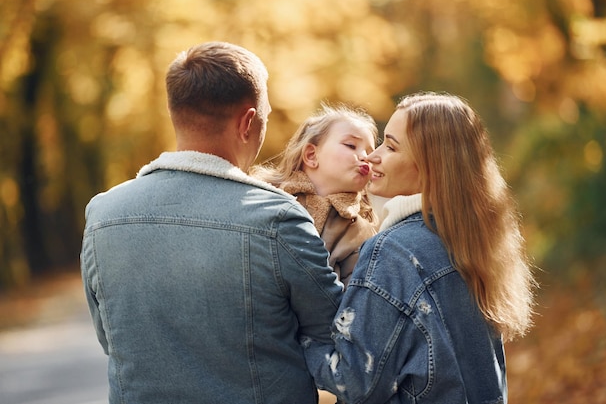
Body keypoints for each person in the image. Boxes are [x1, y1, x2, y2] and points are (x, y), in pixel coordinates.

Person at [80, 41, 343, 404]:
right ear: (249, 121)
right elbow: (337, 331)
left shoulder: (102, 215)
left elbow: (111, 339)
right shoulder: (277, 218)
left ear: (175, 112)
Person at [301, 92, 536, 403]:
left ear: (430, 166)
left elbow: (353, 380)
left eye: (391, 146)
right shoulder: (470, 243)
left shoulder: (393, 251)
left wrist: (297, 333)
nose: (372, 157)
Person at [252, 104, 379, 286]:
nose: (365, 156)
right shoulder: (265, 198)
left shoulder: (360, 232)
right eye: (351, 145)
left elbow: (351, 297)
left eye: (370, 152)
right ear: (311, 155)